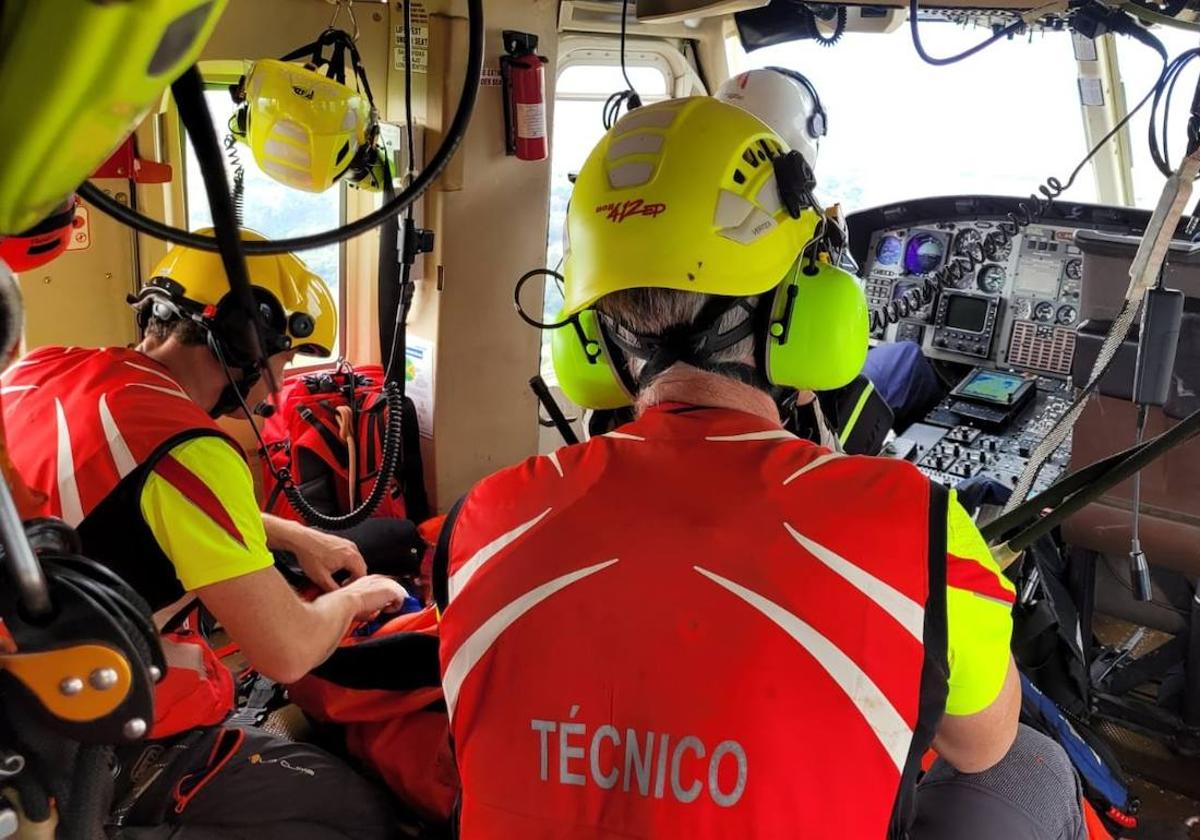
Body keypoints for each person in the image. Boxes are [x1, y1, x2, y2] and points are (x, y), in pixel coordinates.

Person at [432, 98, 1084, 838]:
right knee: (1031, 763)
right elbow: (981, 744)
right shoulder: (913, 526)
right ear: (805, 311)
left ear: (589, 334)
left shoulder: (480, 518)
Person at [2, 231, 404, 838]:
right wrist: (356, 598)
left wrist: (293, 536)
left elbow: (127, 494)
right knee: (358, 813)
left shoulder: (47, 367)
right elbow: (287, 650)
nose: (278, 387)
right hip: (81, 734)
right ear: (247, 340)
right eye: (284, 359)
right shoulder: (192, 449)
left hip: (20, 682)